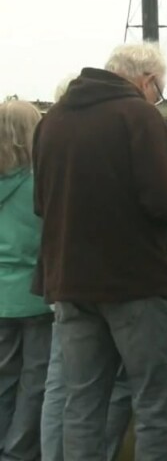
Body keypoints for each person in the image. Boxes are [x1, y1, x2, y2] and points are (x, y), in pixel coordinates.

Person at [32, 42, 167, 461]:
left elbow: (42, 203)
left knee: (82, 406)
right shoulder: (138, 116)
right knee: (156, 408)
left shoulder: (52, 121)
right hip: (137, 284)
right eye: (158, 90)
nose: (156, 98)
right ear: (146, 80)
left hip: (70, 283)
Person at [37, 75, 134, 461]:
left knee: (65, 388)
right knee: (120, 386)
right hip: (112, 285)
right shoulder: (119, 132)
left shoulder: (48, 142)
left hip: (60, 284)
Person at [0, 100, 51, 460]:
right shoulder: (40, 182)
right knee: (36, 383)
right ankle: (18, 454)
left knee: (3, 382)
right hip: (35, 295)